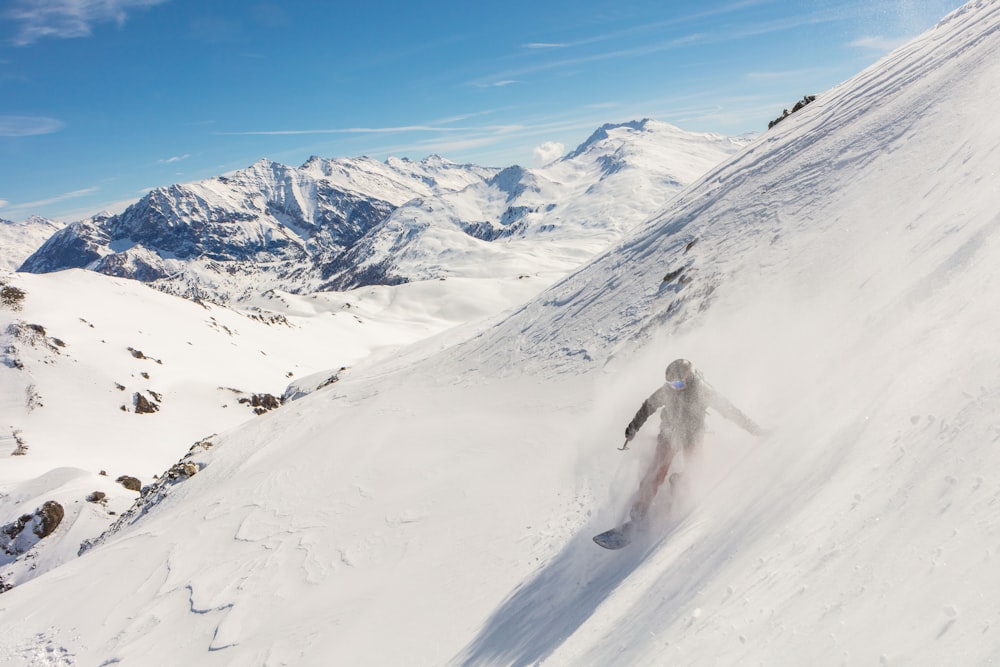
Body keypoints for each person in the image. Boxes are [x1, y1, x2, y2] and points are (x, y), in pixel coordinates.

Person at [620, 358, 763, 527]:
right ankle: (639, 511)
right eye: (672, 385)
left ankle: (678, 484)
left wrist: (754, 429)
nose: (675, 388)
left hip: (692, 436)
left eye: (678, 385)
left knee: (694, 469)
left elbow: (730, 411)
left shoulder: (703, 390)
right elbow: (648, 407)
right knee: (657, 470)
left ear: (688, 378)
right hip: (670, 433)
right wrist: (633, 427)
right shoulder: (667, 390)